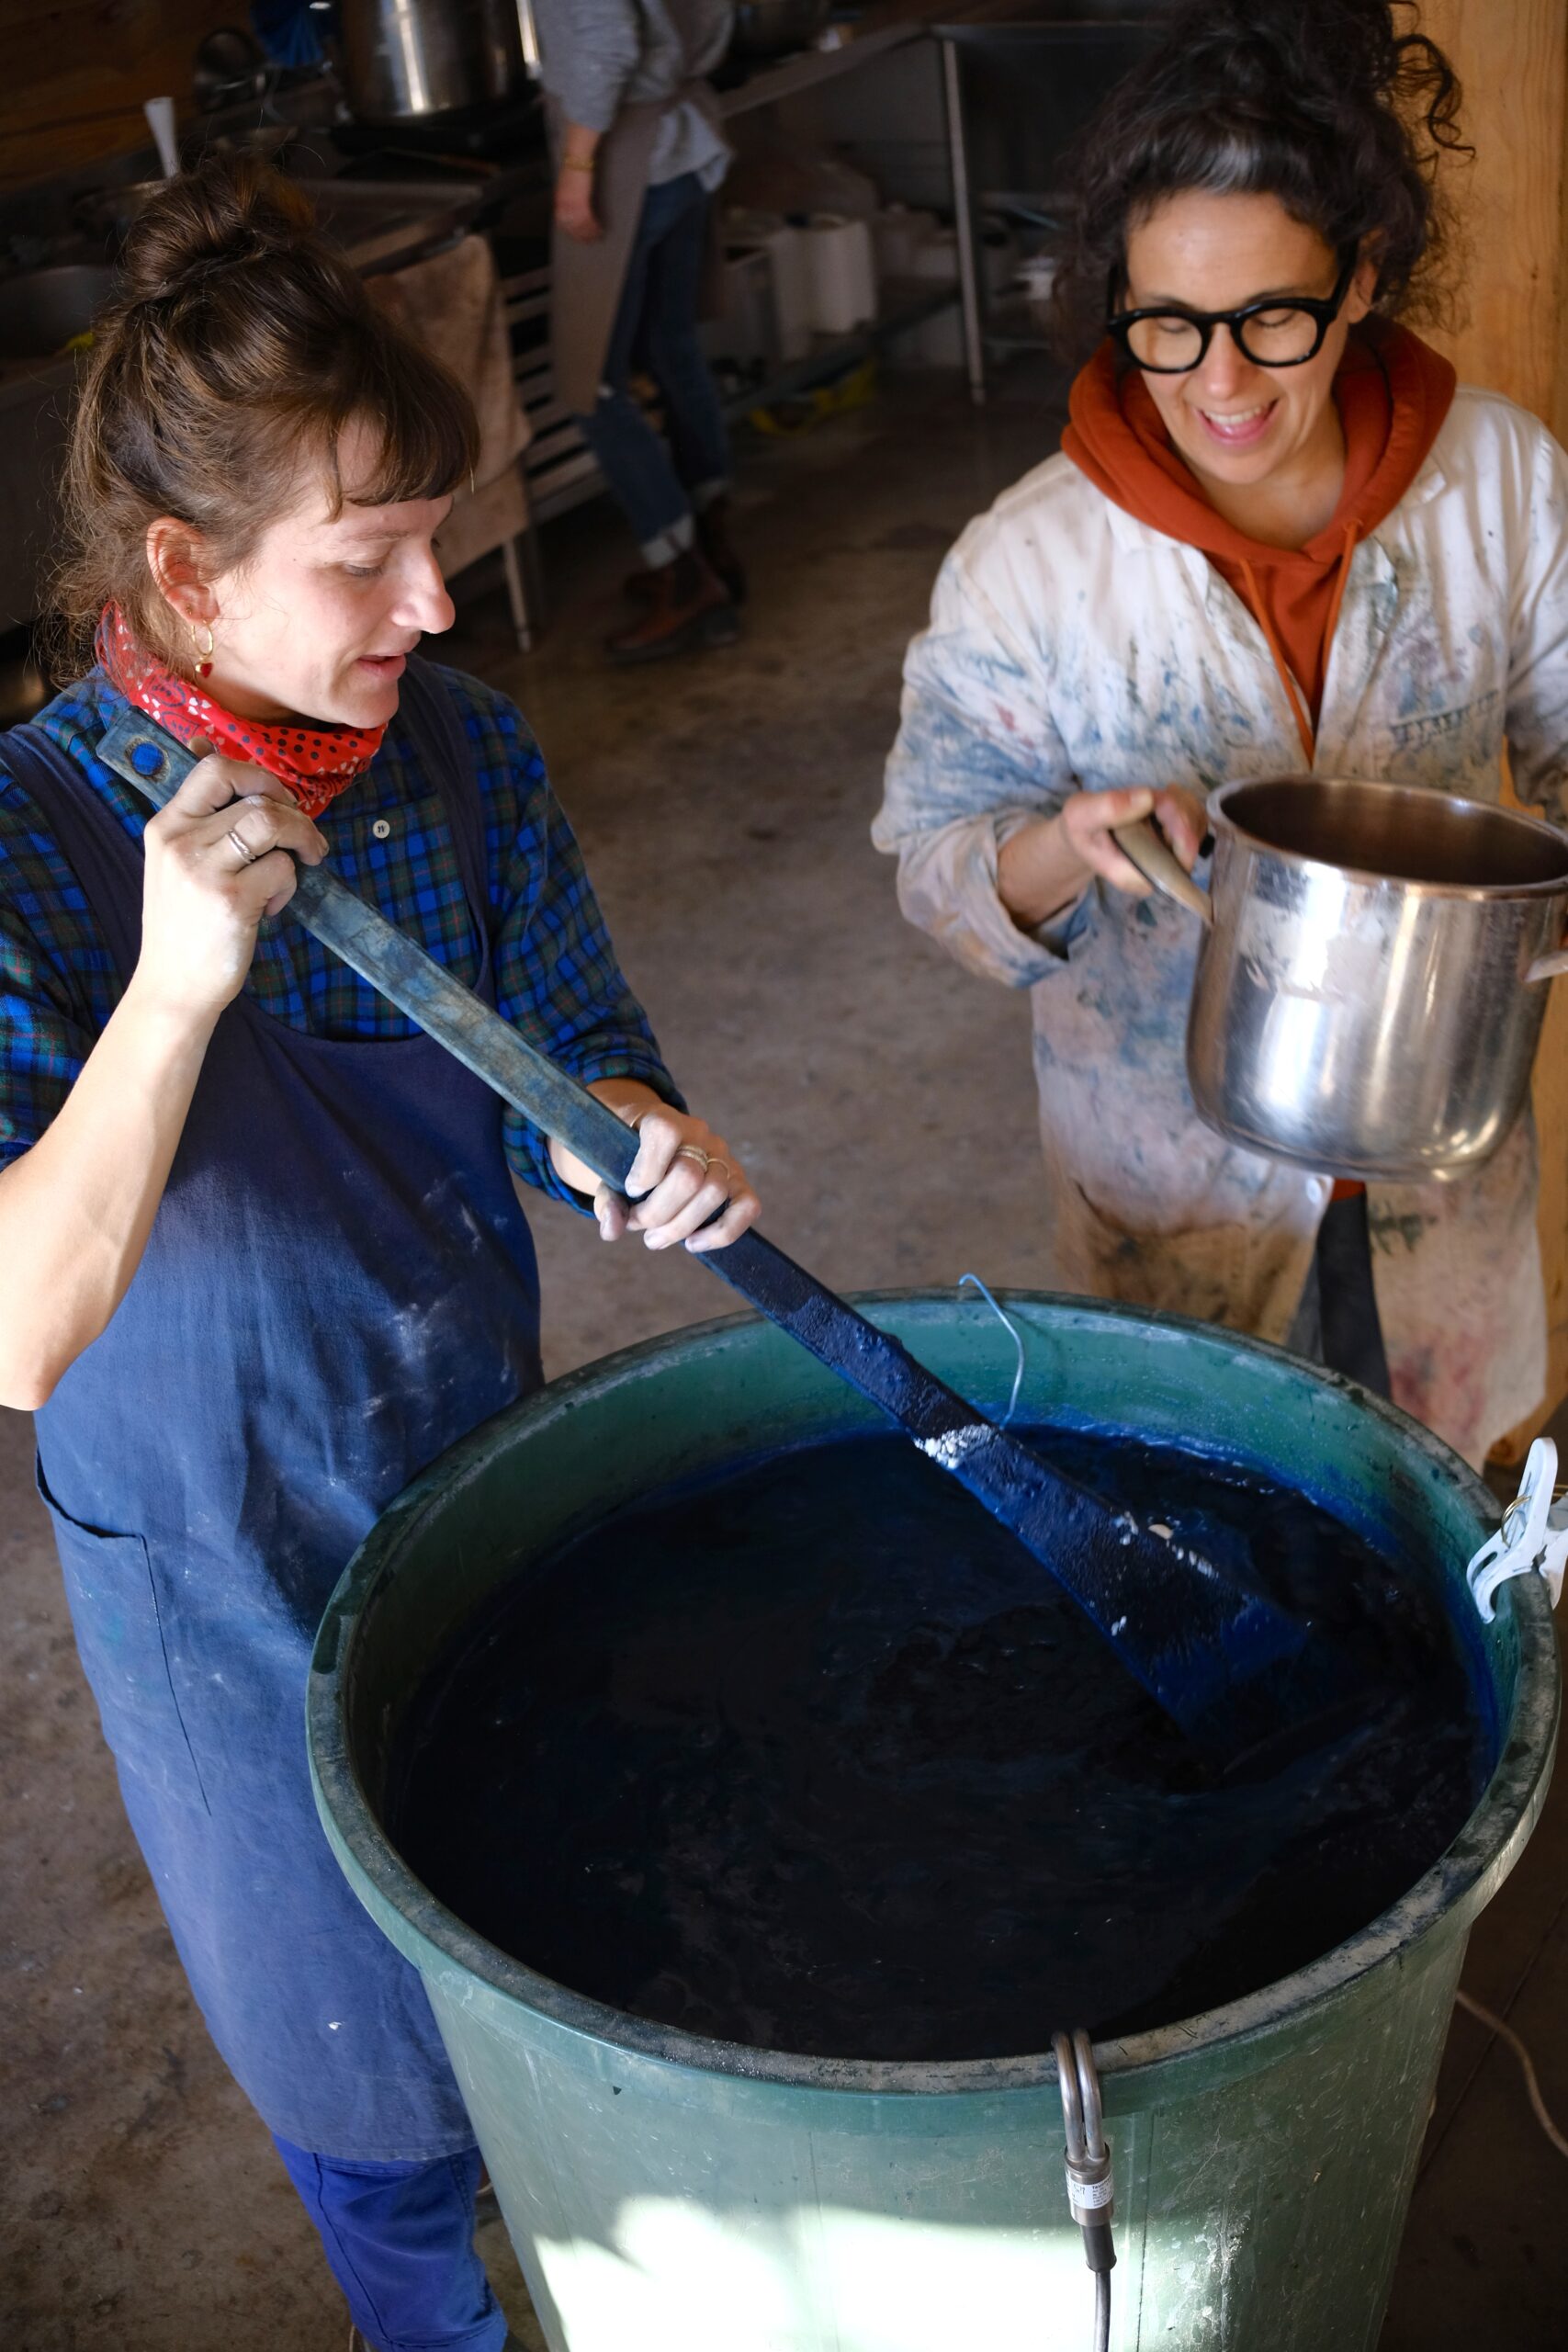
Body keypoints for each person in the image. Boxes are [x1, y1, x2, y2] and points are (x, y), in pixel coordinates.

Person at [0, 160, 758, 2351]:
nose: (433, 602)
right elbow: (23, 1326)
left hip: (480, 1499)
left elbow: (581, 1059)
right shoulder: (29, 840)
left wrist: (639, 1137)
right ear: (183, 569)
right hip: (219, 1608)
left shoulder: (463, 763)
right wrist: (174, 989)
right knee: (376, 2110)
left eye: (442, 533)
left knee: (565, 2000)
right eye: (366, 555)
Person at [874, 0, 1568, 1471]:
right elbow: (935, 861)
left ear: (1358, 277)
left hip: (1440, 1170)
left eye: (1270, 317)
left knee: (1443, 1512)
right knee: (1209, 1512)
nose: (1220, 382)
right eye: (1167, 327)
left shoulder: (1498, 483)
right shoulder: (1030, 566)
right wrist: (1055, 850)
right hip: (1166, 1189)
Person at [535, 0, 746, 663]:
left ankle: (684, 576)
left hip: (623, 159)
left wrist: (578, 166)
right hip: (680, 142)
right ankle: (710, 544)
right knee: (670, 347)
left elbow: (607, 42)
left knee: (592, 386)